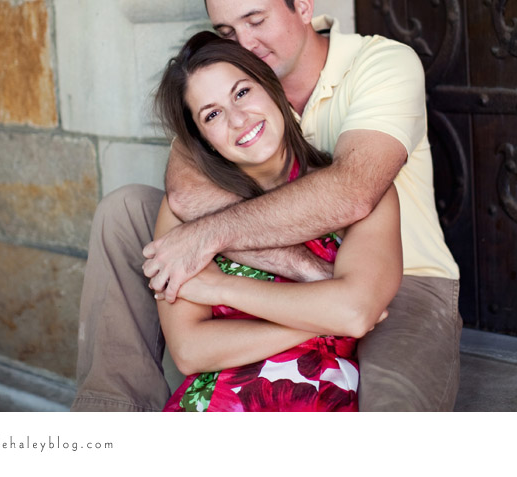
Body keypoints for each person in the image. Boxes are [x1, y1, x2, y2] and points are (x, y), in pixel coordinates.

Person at [72, 0, 462, 412]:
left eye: (256, 21)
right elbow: (186, 191)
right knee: (125, 210)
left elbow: (352, 194)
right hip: (289, 272)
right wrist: (307, 275)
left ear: (302, 4)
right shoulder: (231, 83)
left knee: (394, 411)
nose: (244, 44)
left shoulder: (380, 64)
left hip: (403, 279)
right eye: (226, 31)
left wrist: (209, 247)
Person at [150, 31, 401, 411]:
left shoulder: (357, 196)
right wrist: (322, 315)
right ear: (203, 140)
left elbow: (354, 312)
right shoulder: (184, 212)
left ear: (272, 88)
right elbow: (189, 351)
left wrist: (221, 289)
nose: (237, 119)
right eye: (212, 114)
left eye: (242, 92)